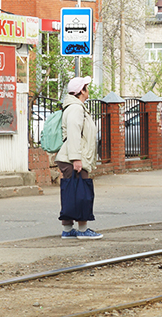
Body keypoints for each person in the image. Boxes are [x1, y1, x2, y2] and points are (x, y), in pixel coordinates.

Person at [54, 76, 101, 239]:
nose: (88, 91)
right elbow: (74, 134)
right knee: (82, 194)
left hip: (71, 157)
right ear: (82, 91)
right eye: (87, 87)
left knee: (72, 193)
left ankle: (68, 230)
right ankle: (82, 230)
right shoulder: (76, 108)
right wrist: (76, 159)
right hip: (72, 158)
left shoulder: (76, 107)